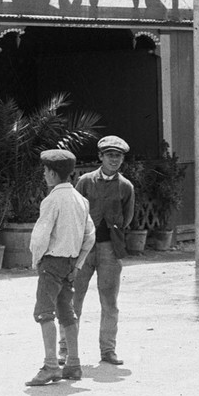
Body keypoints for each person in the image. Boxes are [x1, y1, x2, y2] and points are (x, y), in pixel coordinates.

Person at [25, 148, 96, 387]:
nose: (44, 175)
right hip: (70, 263)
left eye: (46, 171)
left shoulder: (52, 200)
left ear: (54, 174)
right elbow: (90, 235)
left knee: (44, 312)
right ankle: (73, 363)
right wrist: (78, 263)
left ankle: (51, 365)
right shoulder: (81, 200)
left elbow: (41, 236)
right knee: (67, 311)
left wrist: (36, 259)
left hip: (52, 262)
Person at [62, 135, 134, 367]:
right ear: (100, 156)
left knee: (109, 301)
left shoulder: (126, 187)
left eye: (119, 156)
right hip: (83, 249)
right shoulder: (84, 181)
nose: (114, 160)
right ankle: (65, 349)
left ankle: (108, 350)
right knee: (74, 299)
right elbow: (74, 211)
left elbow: (128, 217)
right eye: (110, 155)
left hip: (110, 250)